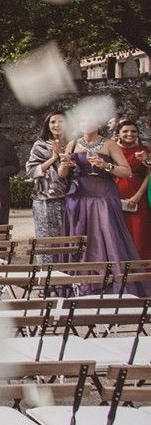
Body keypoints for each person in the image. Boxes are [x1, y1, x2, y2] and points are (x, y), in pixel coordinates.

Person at [60, 118, 142, 294]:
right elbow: (62, 173)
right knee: (81, 237)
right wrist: (64, 165)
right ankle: (82, 286)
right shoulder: (72, 144)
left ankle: (114, 284)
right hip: (79, 197)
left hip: (105, 195)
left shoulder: (109, 144)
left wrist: (106, 165)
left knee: (109, 237)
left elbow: (126, 172)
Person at [25, 111, 70, 261]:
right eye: (52, 122)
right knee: (46, 241)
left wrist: (64, 155)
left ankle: (66, 279)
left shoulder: (73, 143)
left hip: (69, 197)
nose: (56, 125)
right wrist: (54, 157)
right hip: (44, 198)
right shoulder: (40, 145)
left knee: (67, 238)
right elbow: (31, 171)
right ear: (47, 125)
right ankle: (46, 279)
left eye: (61, 122)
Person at [115, 119, 150, 259]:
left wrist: (138, 196)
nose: (130, 134)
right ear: (118, 133)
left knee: (139, 232)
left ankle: (142, 273)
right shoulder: (112, 150)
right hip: (116, 193)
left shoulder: (144, 150)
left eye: (133, 131)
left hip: (138, 195)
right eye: (125, 131)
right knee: (119, 232)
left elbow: (149, 174)